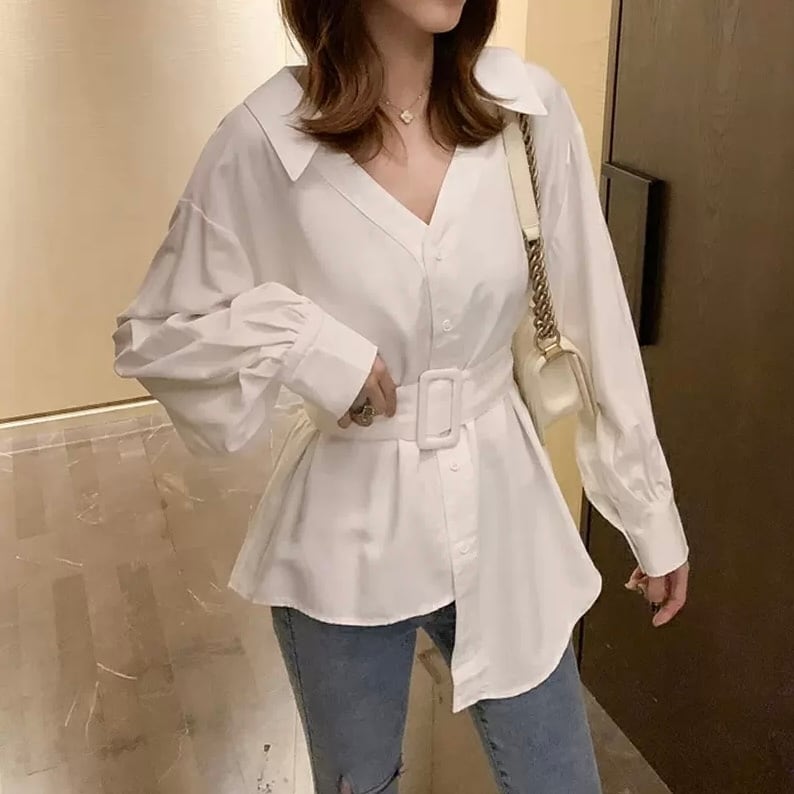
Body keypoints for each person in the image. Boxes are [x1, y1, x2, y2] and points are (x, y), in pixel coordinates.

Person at [114, 1, 691, 791]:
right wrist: (303, 344)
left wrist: (648, 509)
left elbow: (596, 312)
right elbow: (156, 332)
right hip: (346, 540)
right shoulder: (265, 139)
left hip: (505, 510)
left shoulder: (525, 112)